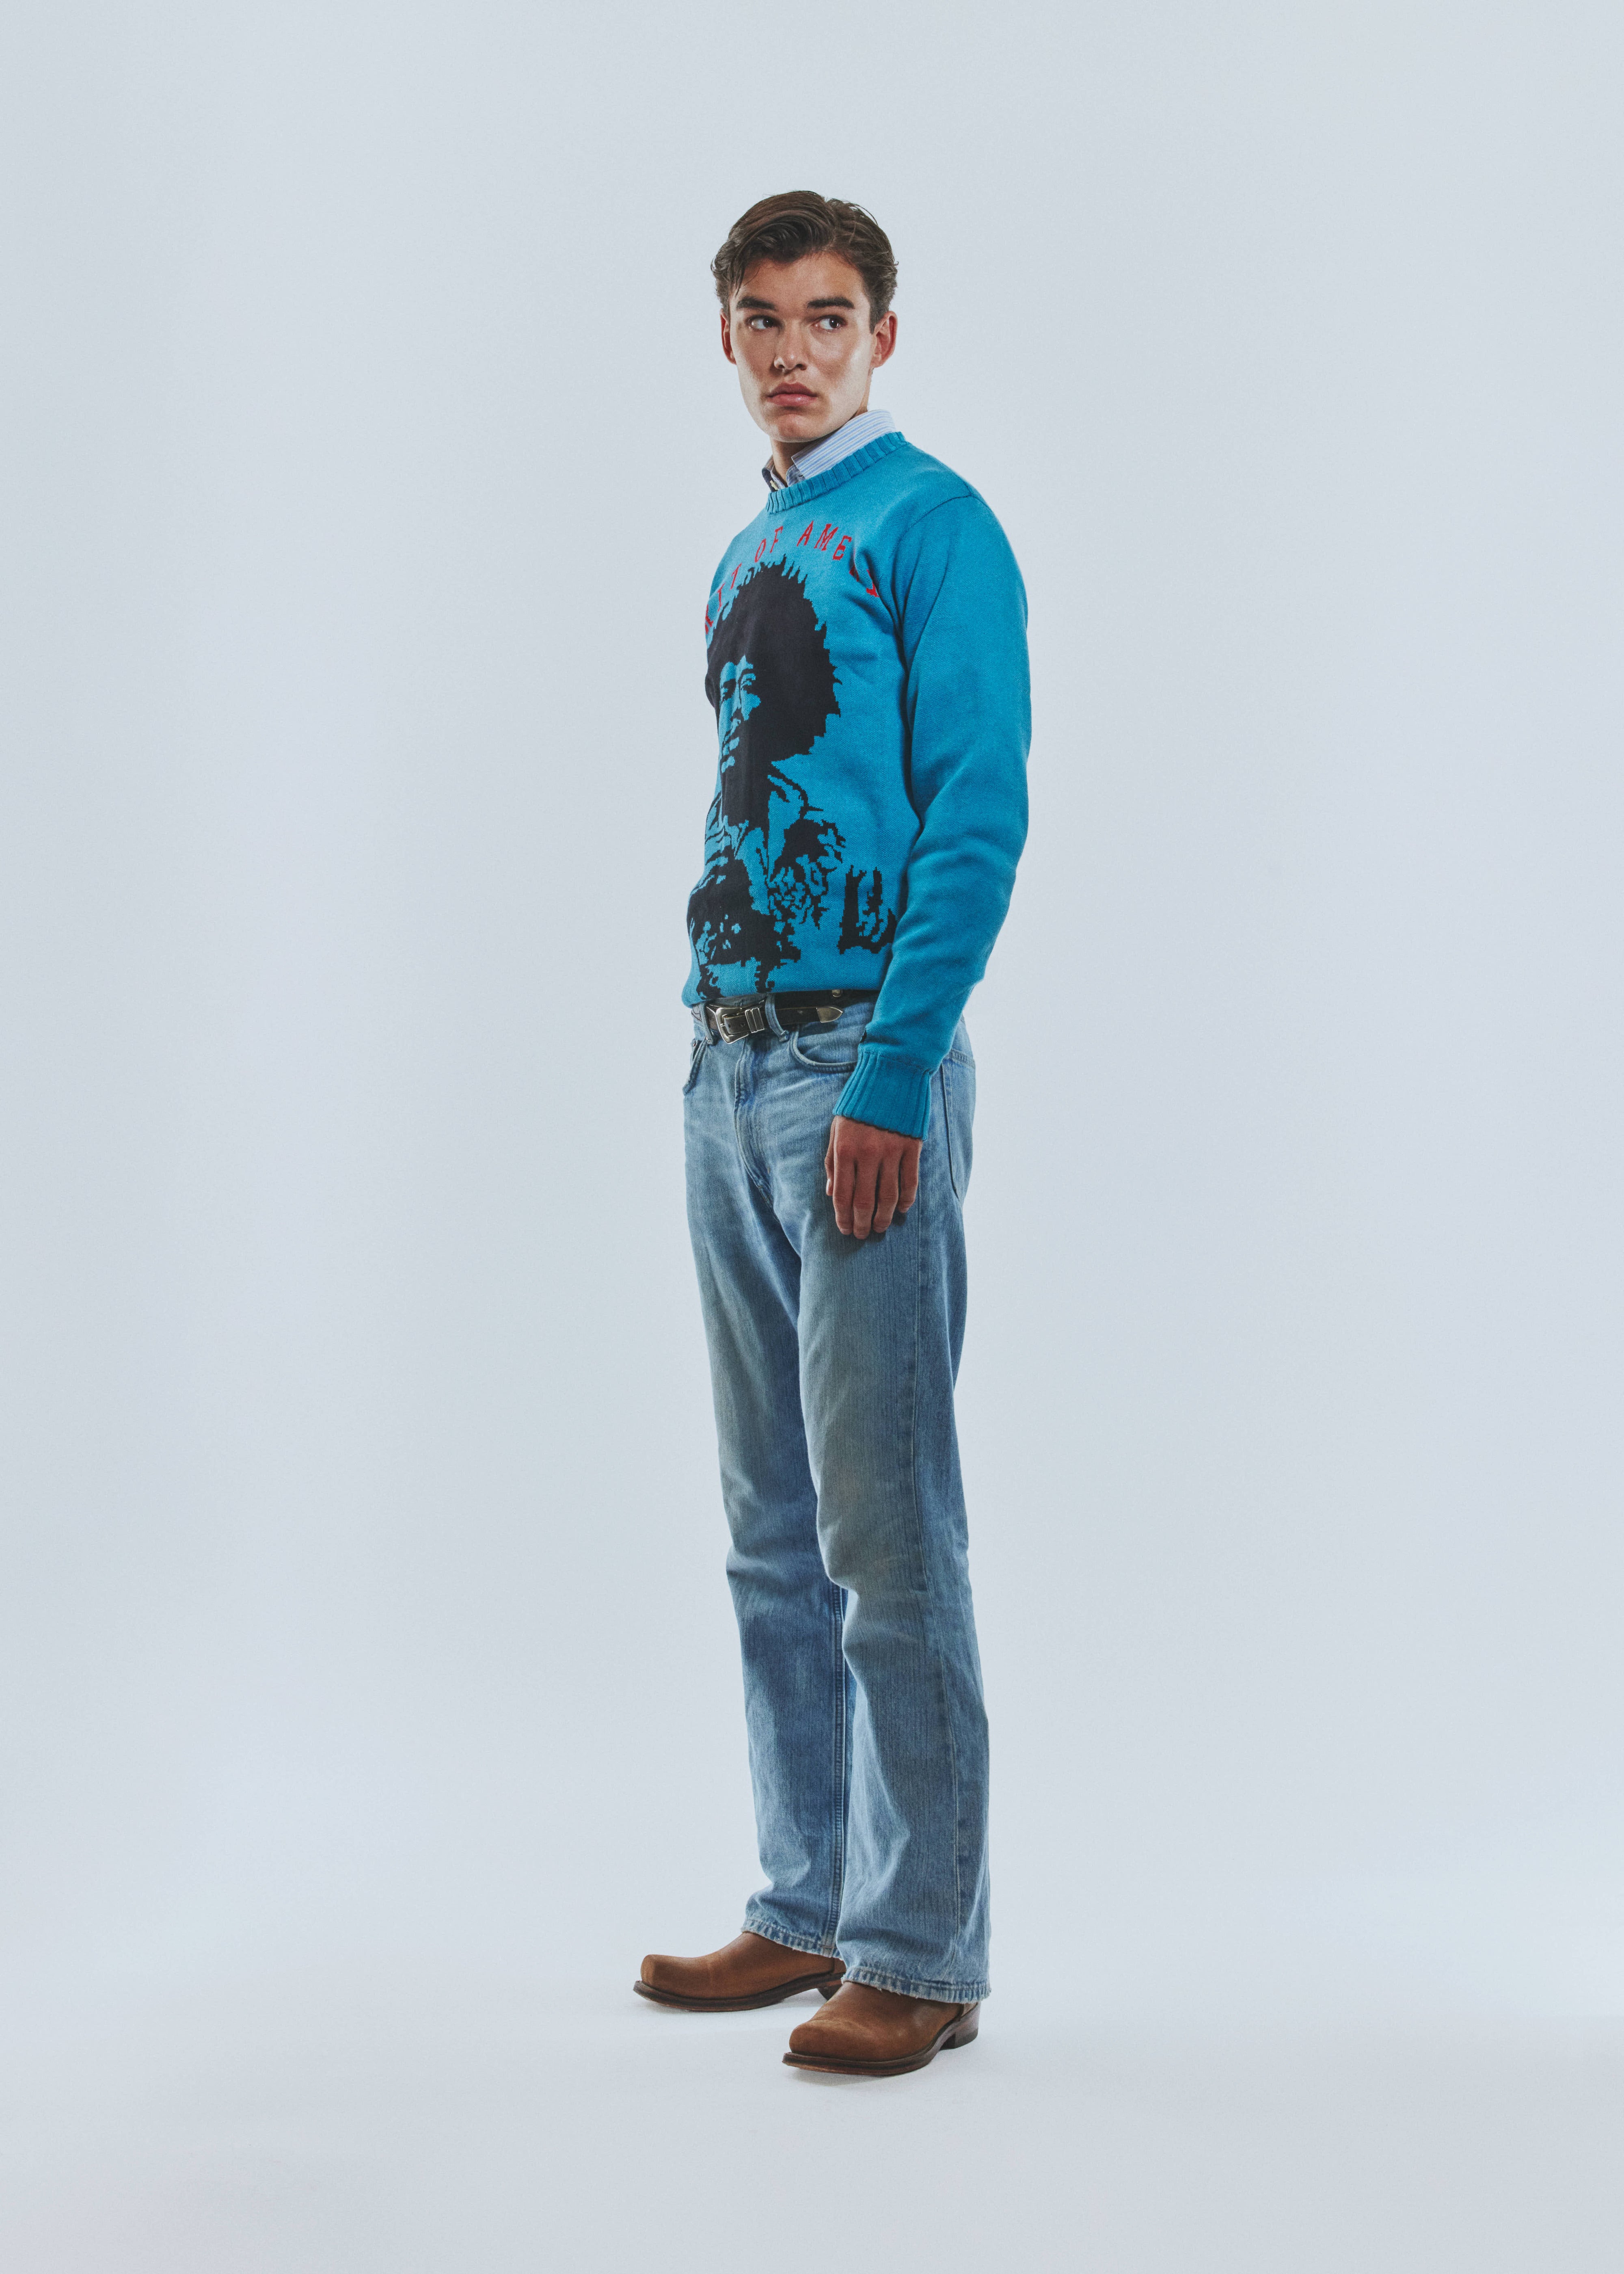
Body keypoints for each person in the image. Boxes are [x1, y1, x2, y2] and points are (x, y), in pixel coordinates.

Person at [636, 192, 1030, 2079]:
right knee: (769, 1529)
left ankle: (921, 1947)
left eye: (827, 314)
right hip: (725, 1065)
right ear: (726, 337)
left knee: (884, 1526)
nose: (793, 348)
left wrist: (887, 1073)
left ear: (882, 334)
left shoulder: (930, 524)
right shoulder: (751, 546)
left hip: (851, 1069)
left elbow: (974, 815)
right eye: (761, 317)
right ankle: (804, 1898)